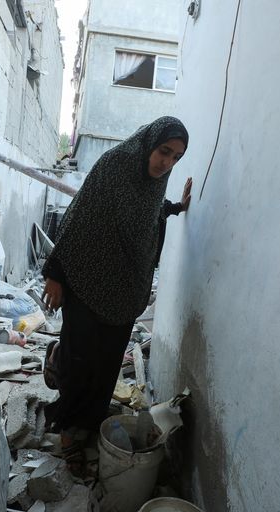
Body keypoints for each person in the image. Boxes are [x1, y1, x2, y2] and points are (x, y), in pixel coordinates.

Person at [41, 116, 192, 474]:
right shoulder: (115, 165)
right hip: (86, 281)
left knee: (107, 364)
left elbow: (148, 212)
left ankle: (89, 424)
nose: (167, 163)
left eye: (176, 157)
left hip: (124, 293)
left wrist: (176, 208)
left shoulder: (156, 181)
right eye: (164, 152)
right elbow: (79, 216)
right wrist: (55, 273)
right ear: (149, 144)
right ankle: (66, 433)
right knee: (80, 362)